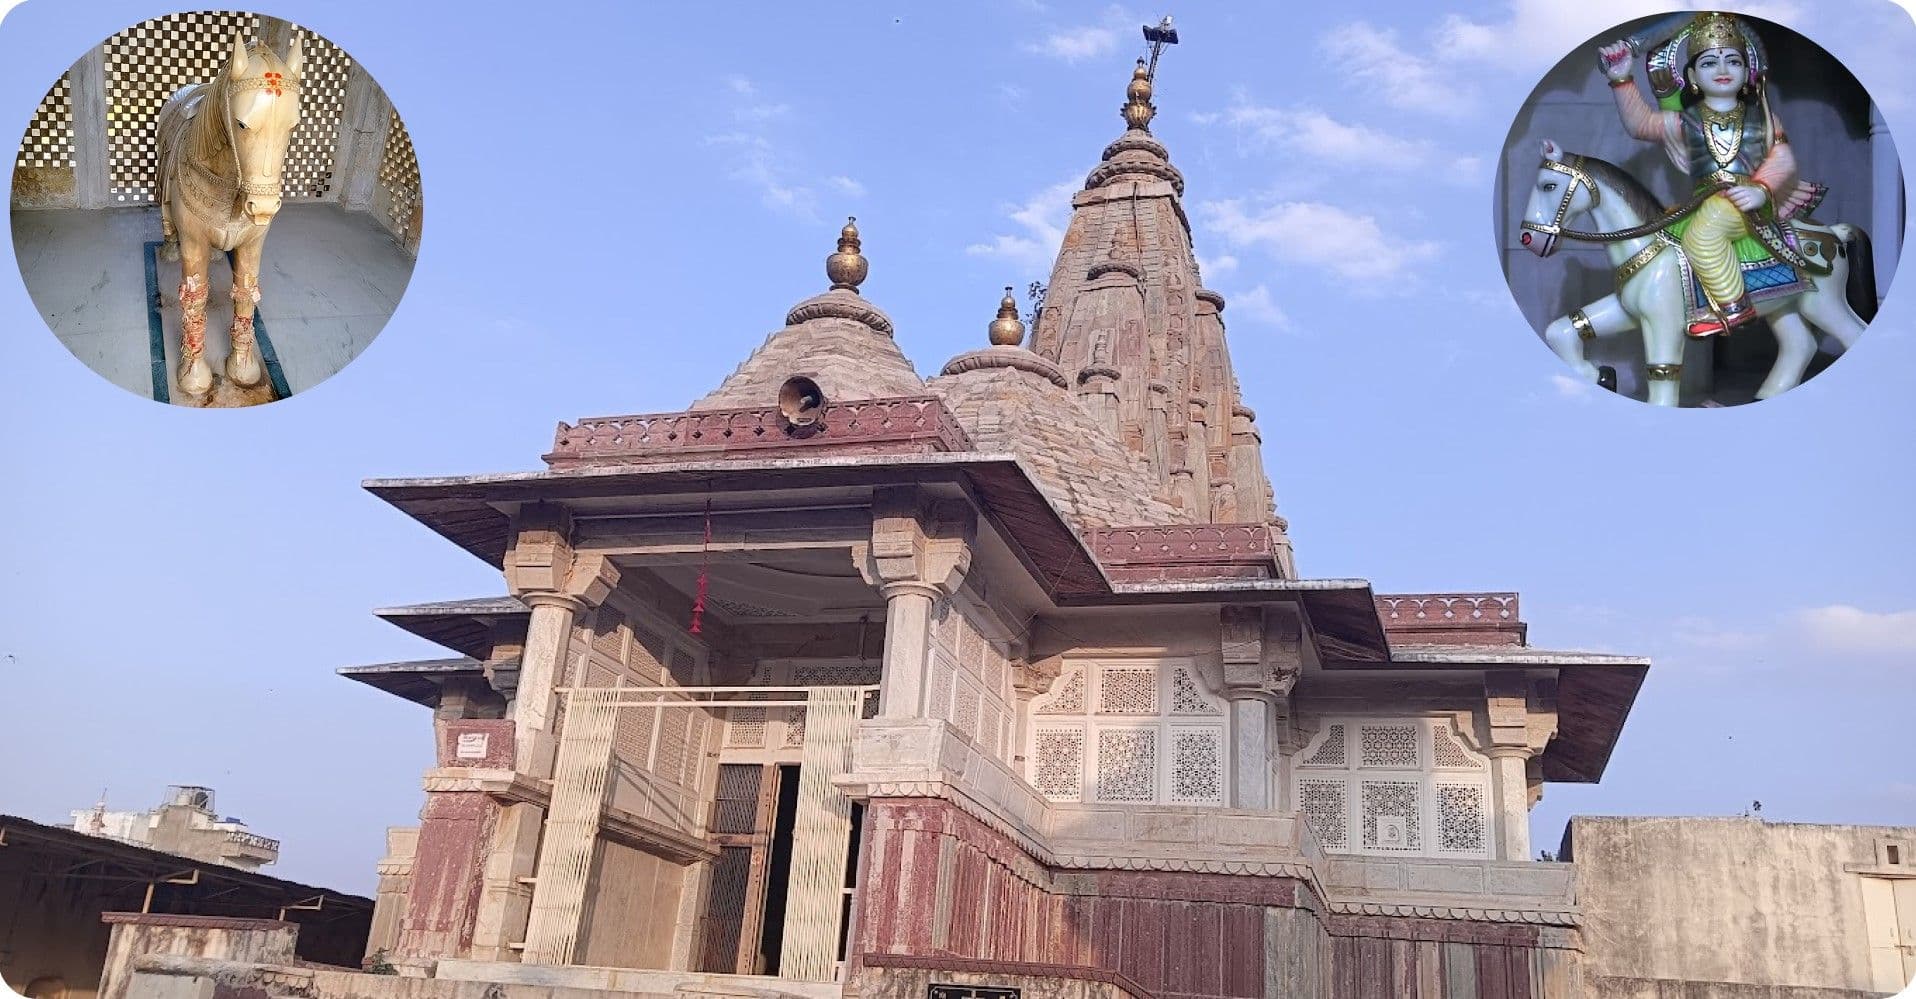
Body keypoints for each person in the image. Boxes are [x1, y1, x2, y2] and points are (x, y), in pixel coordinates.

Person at [1598, 12, 1825, 336]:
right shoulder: (1683, 121)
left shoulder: (1763, 118)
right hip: (1703, 203)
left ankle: (1735, 306)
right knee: (1666, 249)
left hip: (1746, 202)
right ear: (1691, 75)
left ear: (1748, 72)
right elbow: (1641, 125)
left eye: (1733, 61)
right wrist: (1622, 79)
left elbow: (1783, 157)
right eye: (1709, 63)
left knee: (1702, 238)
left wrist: (1760, 189)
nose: (1722, 70)